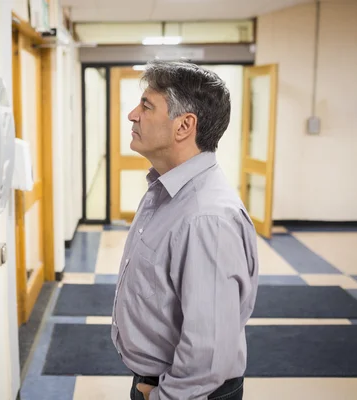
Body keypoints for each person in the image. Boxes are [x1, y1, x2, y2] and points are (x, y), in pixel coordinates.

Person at [111, 60, 259, 400]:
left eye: (146, 105)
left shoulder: (207, 218)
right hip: (161, 382)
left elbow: (207, 356)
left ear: (184, 126)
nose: (132, 114)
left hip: (185, 393)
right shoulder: (167, 191)